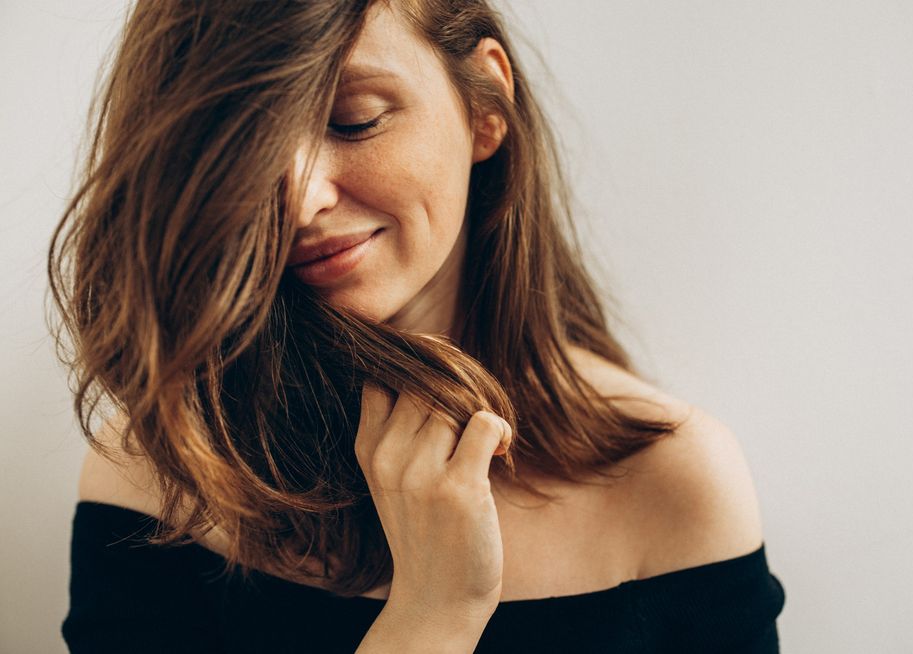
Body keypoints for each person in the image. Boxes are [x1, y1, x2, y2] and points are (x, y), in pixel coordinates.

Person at [49, 1, 786, 652]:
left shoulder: (672, 484)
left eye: (353, 119)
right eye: (246, 144)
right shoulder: (161, 479)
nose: (300, 198)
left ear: (485, 107)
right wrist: (432, 619)